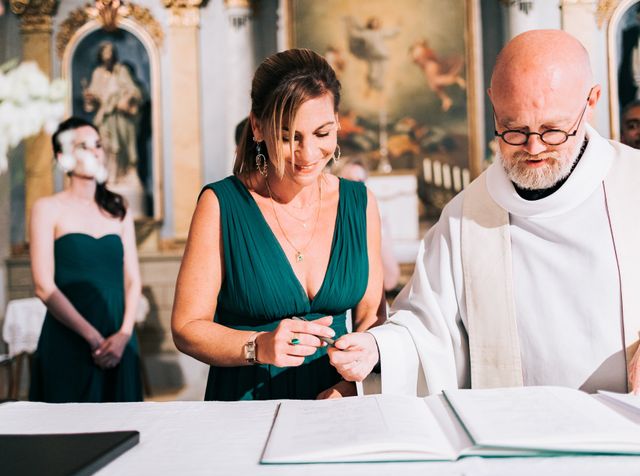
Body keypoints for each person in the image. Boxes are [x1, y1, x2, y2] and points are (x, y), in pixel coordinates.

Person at [328, 30, 640, 396]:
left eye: (553, 130)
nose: (534, 147)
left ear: (592, 101)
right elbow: (427, 327)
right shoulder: (467, 215)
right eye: (514, 130)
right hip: (512, 434)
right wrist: (379, 350)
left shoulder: (632, 185)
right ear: (493, 103)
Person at [171, 48, 384, 401]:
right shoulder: (221, 204)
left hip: (335, 404)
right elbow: (186, 327)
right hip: (246, 404)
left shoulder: (360, 203)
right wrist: (258, 345)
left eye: (322, 133)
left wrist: (350, 385)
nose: (308, 154)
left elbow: (371, 320)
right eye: (288, 137)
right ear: (258, 127)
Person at [29, 117, 143, 402]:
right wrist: (92, 338)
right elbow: (43, 285)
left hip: (119, 336)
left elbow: (133, 280)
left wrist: (124, 334)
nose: (94, 151)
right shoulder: (47, 208)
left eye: (98, 145)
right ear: (63, 157)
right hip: (69, 337)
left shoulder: (119, 209)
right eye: (83, 146)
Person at [83, 41, 142, 182]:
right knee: (106, 145)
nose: (108, 55)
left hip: (121, 117)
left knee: (122, 148)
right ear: (101, 55)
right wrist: (91, 98)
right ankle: (109, 175)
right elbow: (93, 100)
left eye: (110, 52)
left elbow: (135, 91)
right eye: (105, 52)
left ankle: (123, 175)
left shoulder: (121, 71)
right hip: (105, 116)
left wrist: (125, 99)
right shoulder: (97, 73)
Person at [338, 159, 400, 292]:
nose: (355, 189)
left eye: (360, 182)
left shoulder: (373, 217)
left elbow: (390, 279)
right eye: (348, 181)